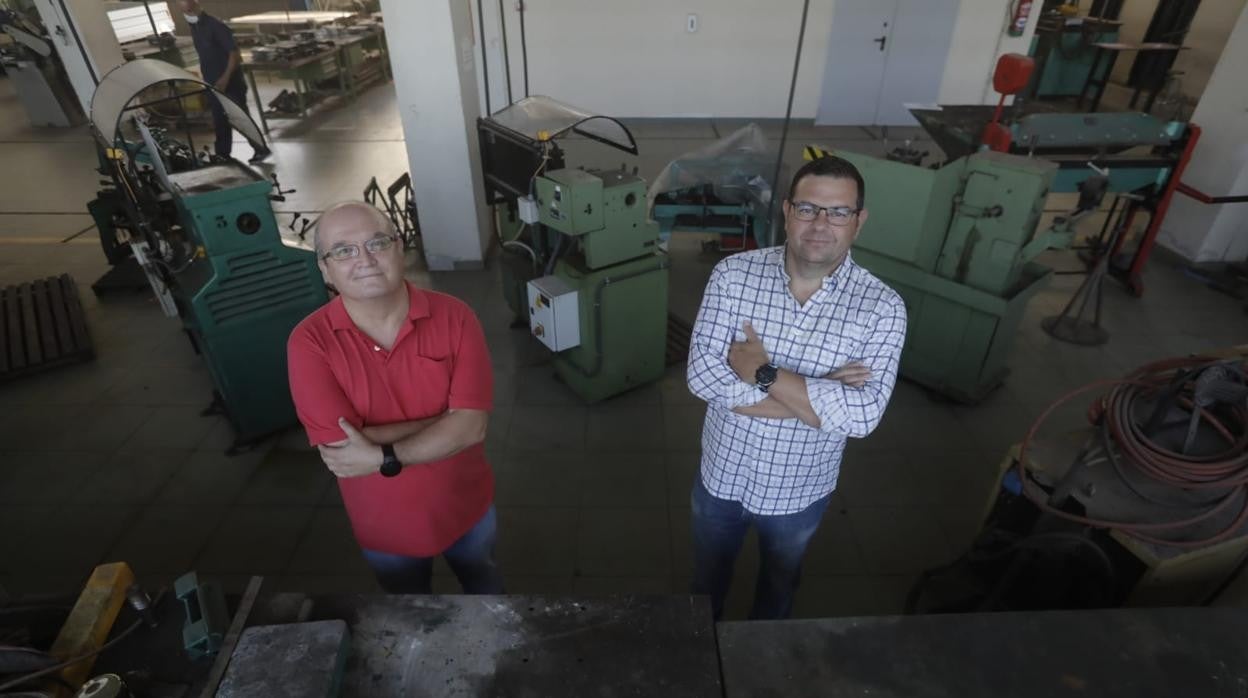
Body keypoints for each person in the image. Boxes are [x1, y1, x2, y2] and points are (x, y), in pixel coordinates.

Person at [685, 154, 907, 620]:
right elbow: (702, 376)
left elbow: (863, 418)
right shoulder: (733, 276)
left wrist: (763, 373)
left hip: (799, 490)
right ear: (787, 211)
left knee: (780, 585)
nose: (821, 224)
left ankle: (765, 662)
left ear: (858, 220)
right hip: (721, 476)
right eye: (808, 208)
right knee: (705, 583)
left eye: (839, 212)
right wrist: (820, 394)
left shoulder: (882, 309)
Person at [286, 201, 502, 594]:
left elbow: (472, 426)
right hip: (384, 526)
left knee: (486, 591)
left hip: (466, 508)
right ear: (324, 268)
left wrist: (381, 454)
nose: (364, 259)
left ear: (399, 248)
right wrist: (447, 420)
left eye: (377, 243)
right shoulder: (309, 342)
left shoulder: (456, 317)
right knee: (407, 616)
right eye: (343, 250)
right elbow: (340, 447)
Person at [180, 0, 270, 162]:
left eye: (187, 8)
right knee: (219, 119)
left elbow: (234, 54)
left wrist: (225, 78)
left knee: (240, 117)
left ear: (196, 5)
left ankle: (261, 149)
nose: (186, 14)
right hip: (213, 82)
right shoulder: (195, 28)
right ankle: (222, 154)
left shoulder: (216, 25)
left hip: (230, 82)